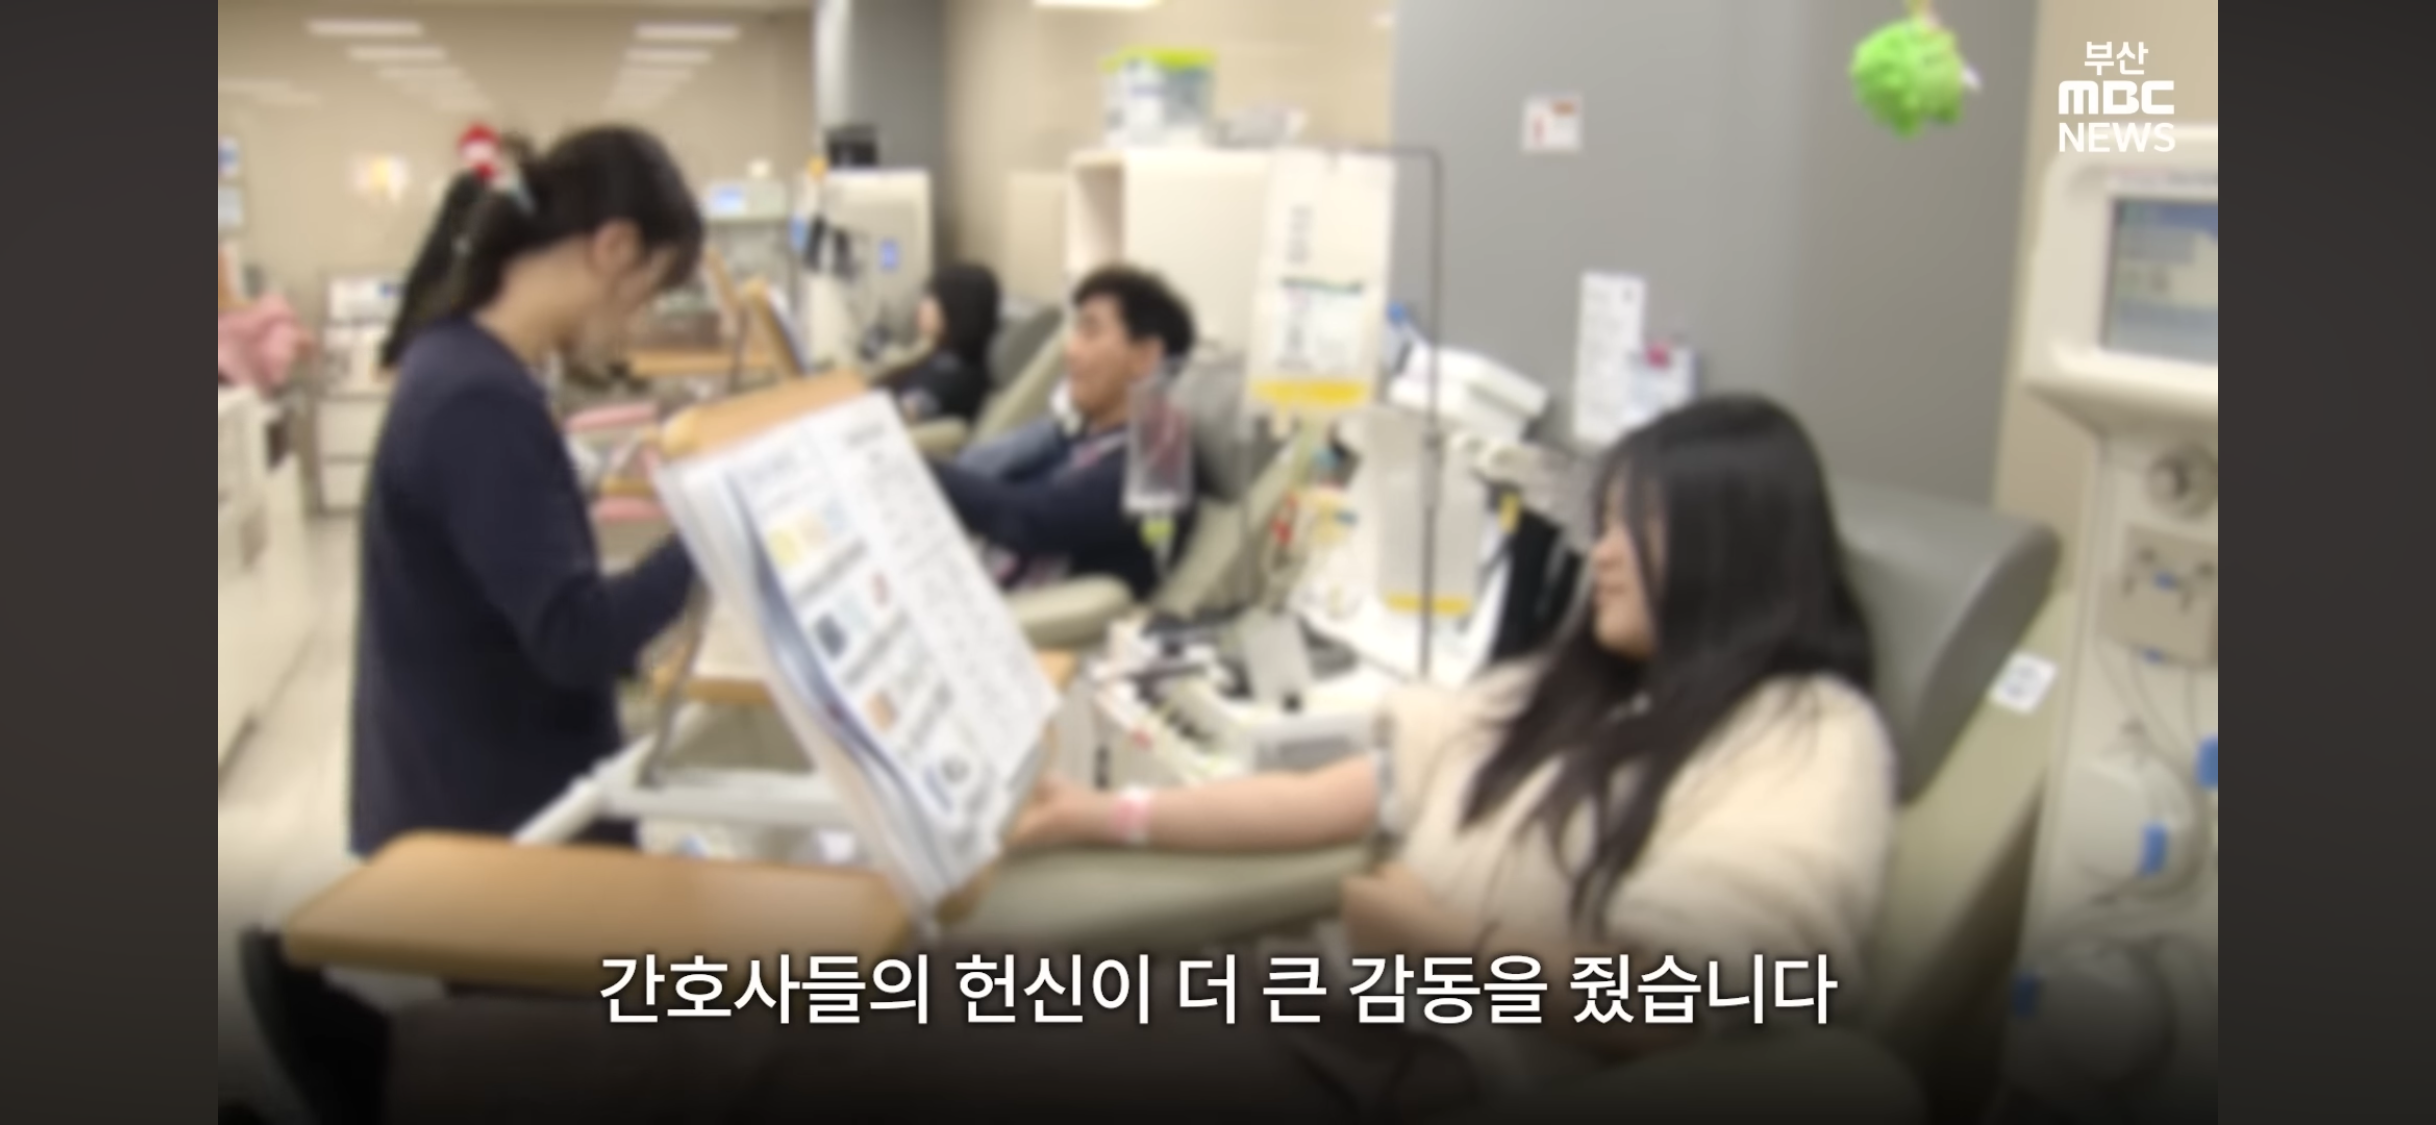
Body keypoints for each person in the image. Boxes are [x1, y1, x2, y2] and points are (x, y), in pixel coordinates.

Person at [264, 395, 1897, 1123]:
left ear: (1738, 545)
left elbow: (1747, 993)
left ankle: (417, 1084)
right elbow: (1349, 793)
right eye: (1604, 517)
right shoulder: (1568, 690)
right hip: (1312, 992)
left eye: (1636, 524)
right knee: (867, 1005)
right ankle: (429, 1067)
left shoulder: (1805, 738)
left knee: (874, 1066)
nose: (1598, 548)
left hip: (1412, 1063)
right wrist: (1091, 809)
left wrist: (1441, 942)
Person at [349, 126, 708, 859]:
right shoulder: (477, 400)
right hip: (491, 825)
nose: (638, 324)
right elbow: (575, 637)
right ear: (615, 248)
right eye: (650, 293)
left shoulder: (460, 362)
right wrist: (720, 525)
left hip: (481, 793)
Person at [930, 264, 1197, 599]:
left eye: (1090, 331)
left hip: (1028, 620)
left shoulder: (1156, 468)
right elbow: (995, 483)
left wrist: (917, 467)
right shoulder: (1085, 439)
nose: (1070, 350)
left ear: (1144, 357)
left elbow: (1029, 519)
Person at [378, 131, 536, 373]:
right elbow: (427, 272)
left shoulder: (531, 214)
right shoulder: (470, 199)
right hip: (465, 336)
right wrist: (394, 349)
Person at [876, 263, 1002, 425]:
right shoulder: (948, 361)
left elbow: (891, 418)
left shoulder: (953, 379)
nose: (920, 306)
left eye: (931, 298)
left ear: (958, 309)